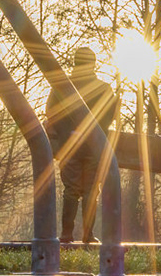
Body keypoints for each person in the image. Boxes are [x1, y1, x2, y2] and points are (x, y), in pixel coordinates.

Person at [43, 46, 117, 242]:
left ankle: (67, 234)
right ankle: (87, 234)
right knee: (91, 190)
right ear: (93, 64)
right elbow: (109, 115)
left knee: (72, 190)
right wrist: (92, 131)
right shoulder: (103, 89)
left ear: (74, 63)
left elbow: (52, 112)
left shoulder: (61, 87)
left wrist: (68, 131)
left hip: (70, 145)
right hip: (94, 145)